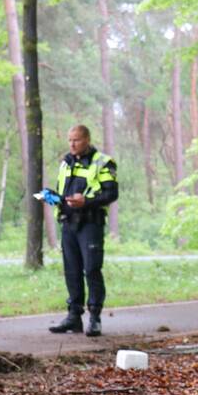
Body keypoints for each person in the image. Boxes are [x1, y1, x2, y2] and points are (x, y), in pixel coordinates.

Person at [48, 125, 118, 337]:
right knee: (72, 271)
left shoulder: (103, 162)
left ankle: (95, 317)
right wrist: (53, 198)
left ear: (87, 139)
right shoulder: (66, 162)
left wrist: (86, 201)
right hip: (69, 223)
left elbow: (111, 194)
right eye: (69, 140)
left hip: (90, 224)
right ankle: (73, 317)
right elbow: (64, 191)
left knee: (92, 269)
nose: (72, 144)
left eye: (76, 140)